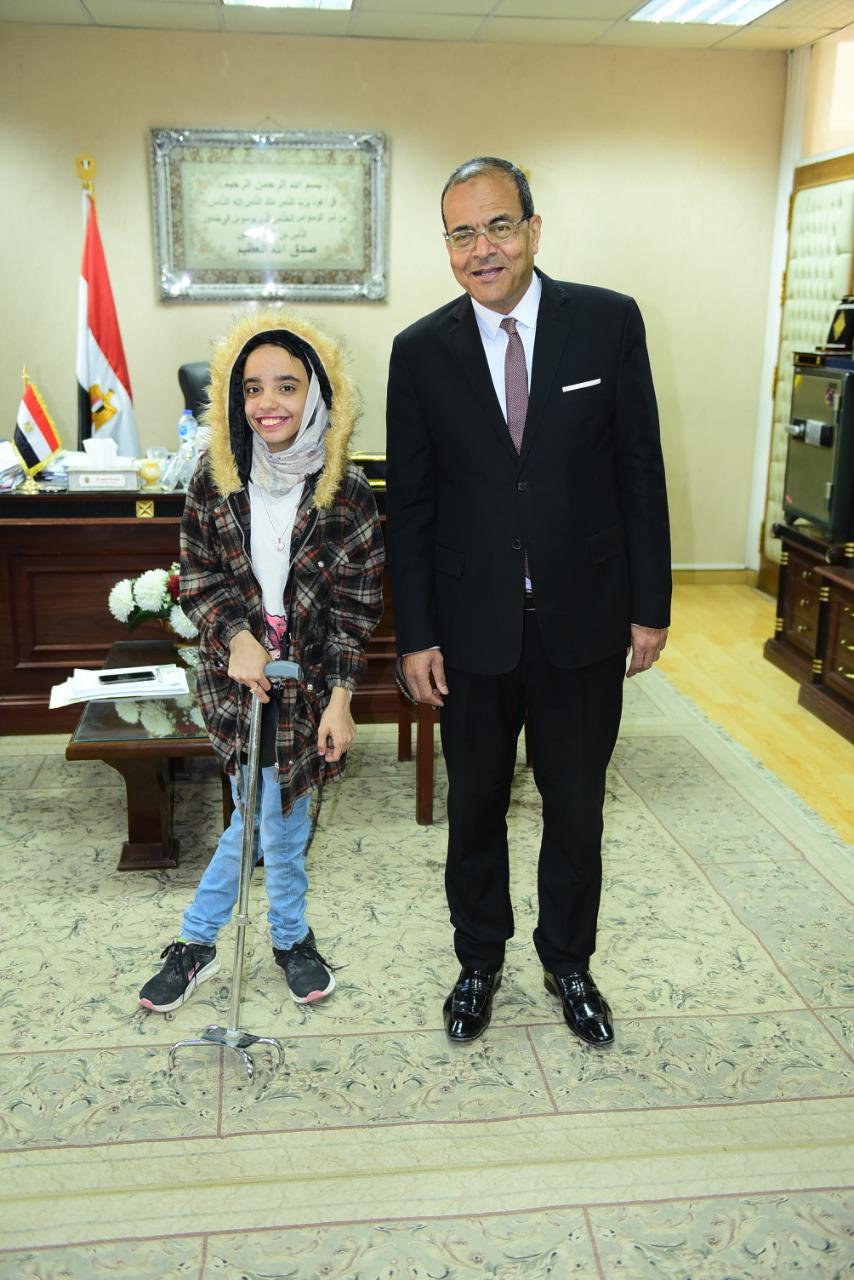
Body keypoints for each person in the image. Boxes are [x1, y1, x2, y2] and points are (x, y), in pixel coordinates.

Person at [385, 157, 670, 1048]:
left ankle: (568, 962)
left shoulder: (608, 323)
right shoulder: (419, 352)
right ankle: (479, 959)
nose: (483, 248)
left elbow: (640, 469)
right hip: (471, 629)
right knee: (474, 807)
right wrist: (416, 633)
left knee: (576, 809)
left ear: (533, 230)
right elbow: (412, 508)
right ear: (447, 246)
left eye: (499, 226)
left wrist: (651, 604)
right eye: (462, 233)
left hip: (584, 621)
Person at [139, 311, 384, 1014]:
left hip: (309, 687)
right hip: (236, 683)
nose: (268, 402)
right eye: (252, 388)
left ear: (320, 394)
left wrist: (341, 698)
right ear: (233, 398)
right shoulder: (214, 483)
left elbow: (356, 610)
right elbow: (199, 577)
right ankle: (281, 939)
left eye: (286, 385)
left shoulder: (348, 494)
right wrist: (237, 636)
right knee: (265, 814)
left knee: (274, 818)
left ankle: (208, 942)